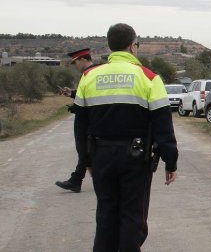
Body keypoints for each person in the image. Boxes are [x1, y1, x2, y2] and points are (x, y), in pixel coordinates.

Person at [73, 23, 178, 251]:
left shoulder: (89, 77)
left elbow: (80, 126)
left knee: (106, 215)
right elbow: (163, 125)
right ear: (133, 46)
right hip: (136, 158)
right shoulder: (149, 77)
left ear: (110, 46)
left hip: (101, 156)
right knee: (132, 217)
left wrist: (86, 160)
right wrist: (171, 162)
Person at [56, 48, 97, 192]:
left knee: (84, 150)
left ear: (83, 59)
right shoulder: (92, 73)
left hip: (86, 121)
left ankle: (76, 180)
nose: (75, 66)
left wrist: (77, 106)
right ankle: (82, 180)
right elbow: (84, 95)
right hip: (89, 119)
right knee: (86, 152)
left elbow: (88, 98)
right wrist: (72, 93)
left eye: (75, 63)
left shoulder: (89, 74)